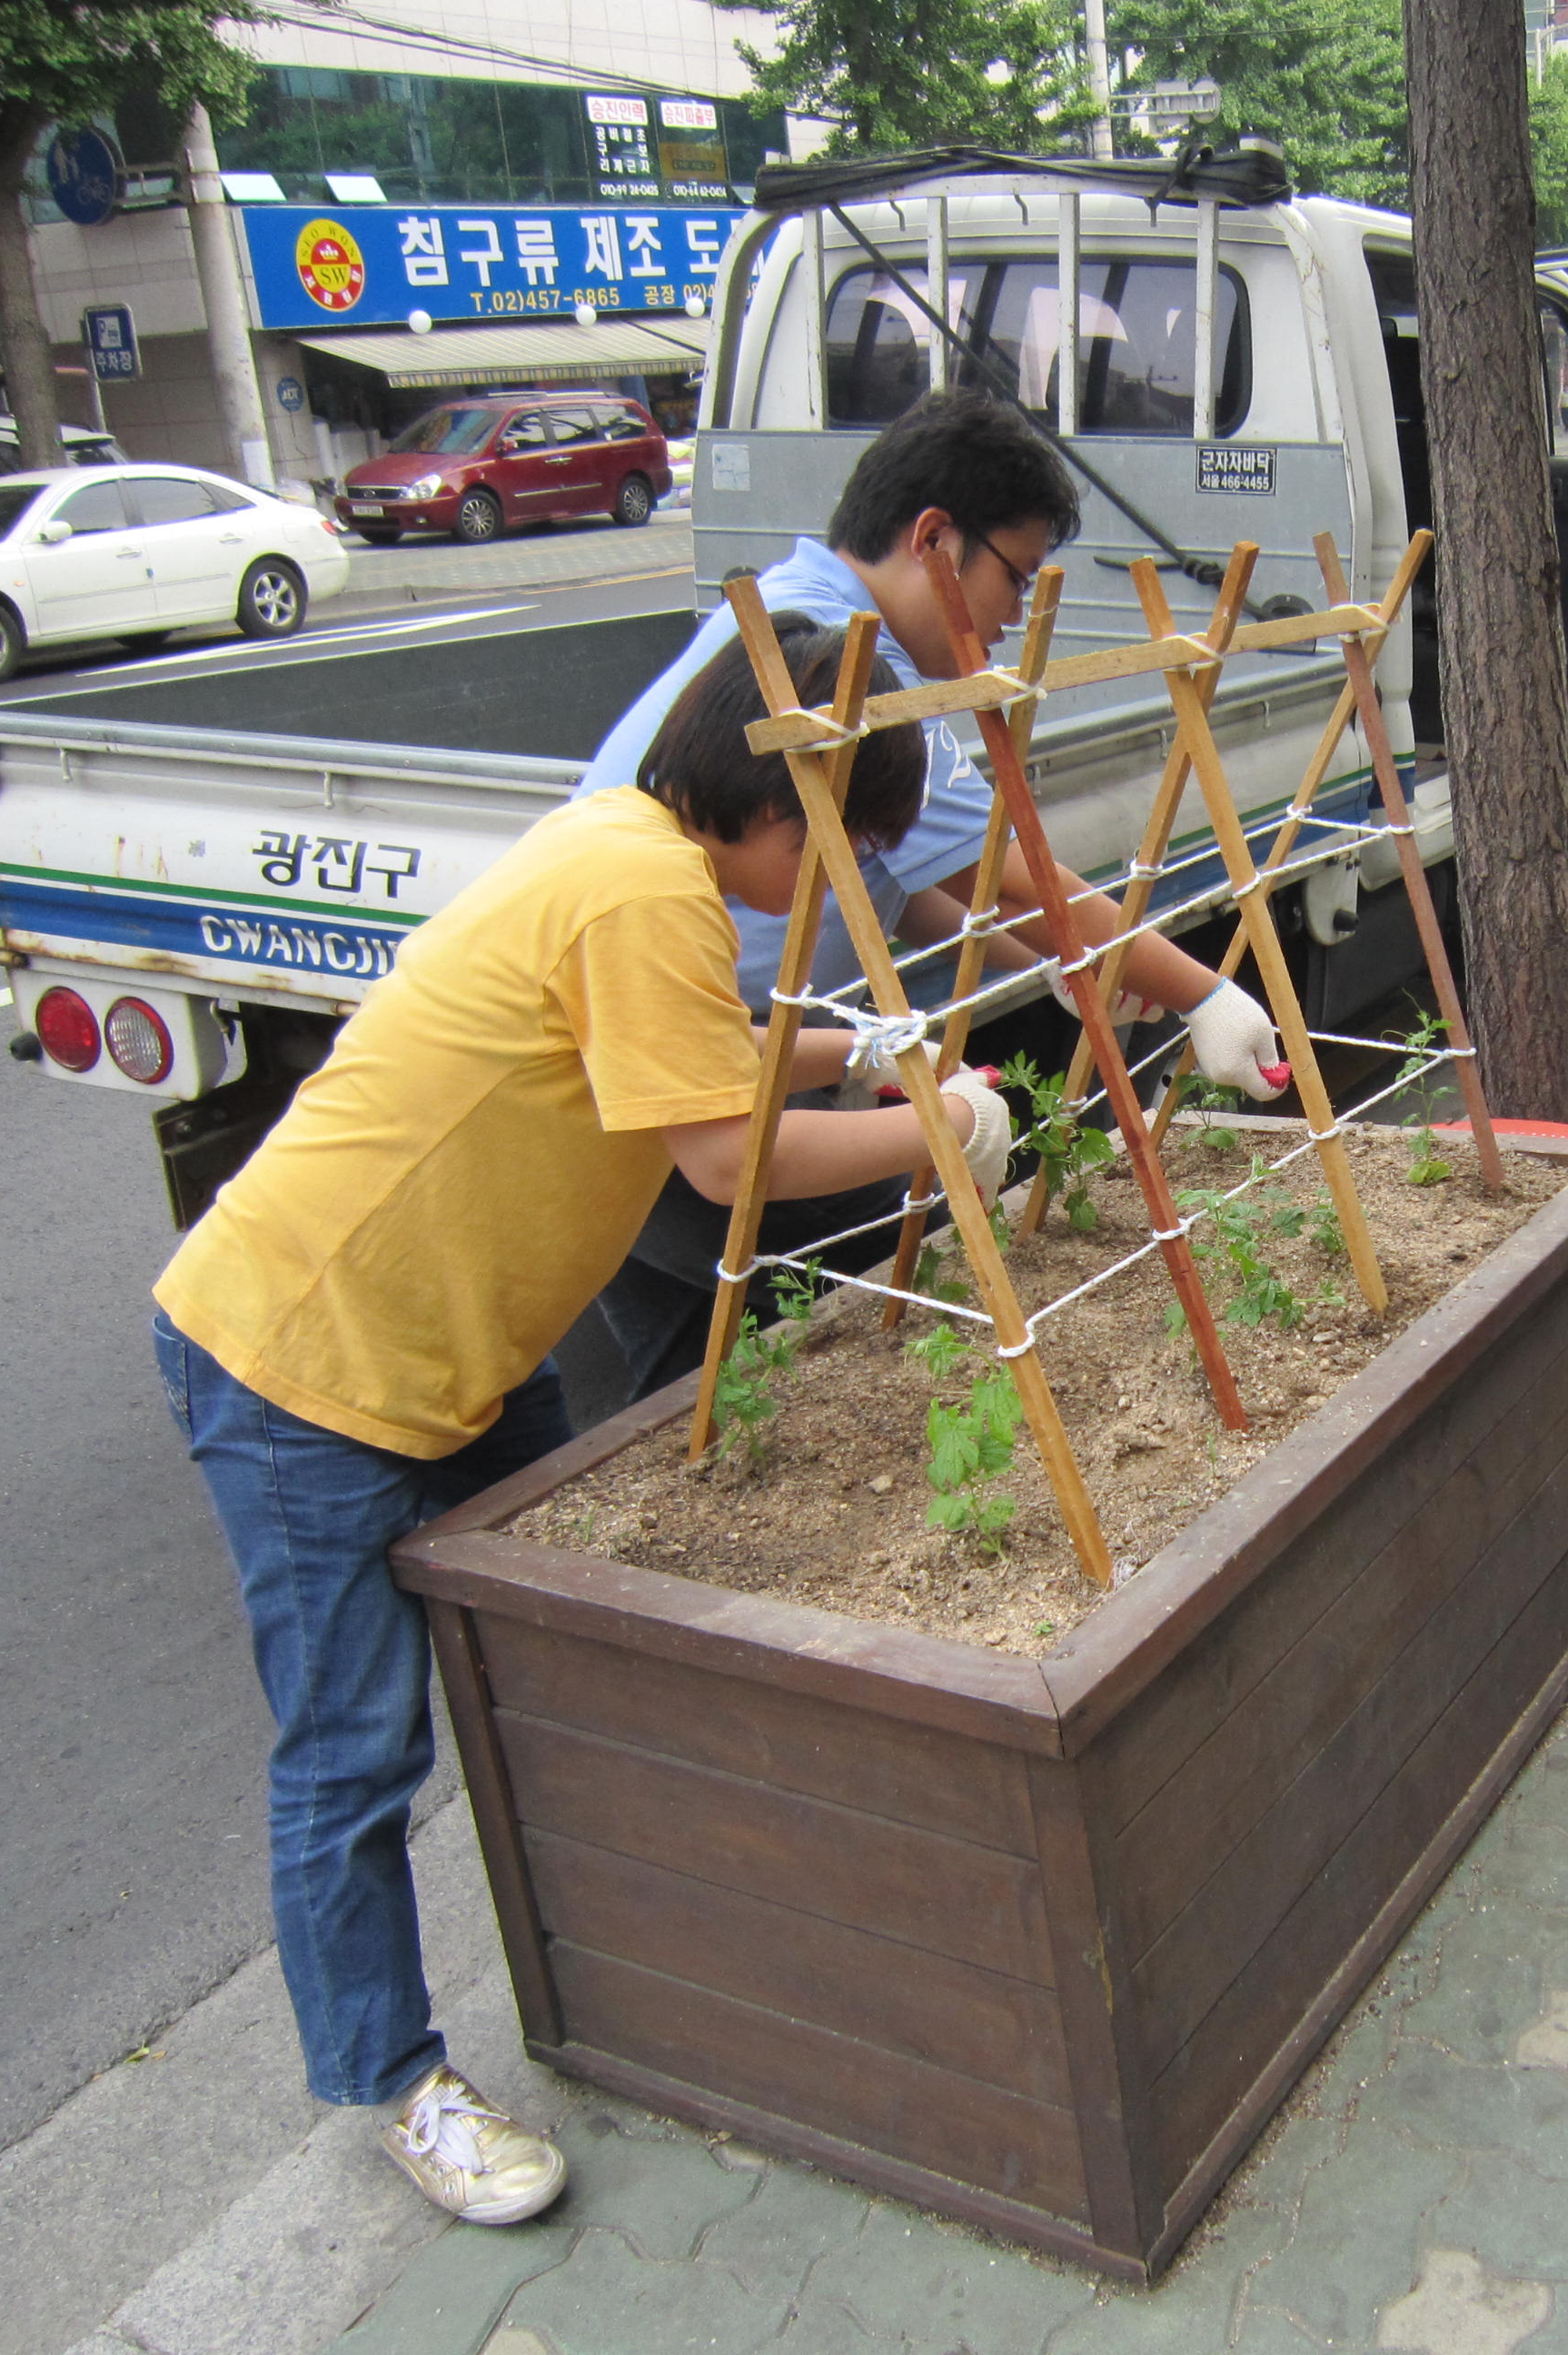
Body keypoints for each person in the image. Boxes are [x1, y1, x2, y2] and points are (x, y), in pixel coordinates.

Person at [151, 621, 1007, 2224]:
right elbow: (720, 1155)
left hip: (453, 1355)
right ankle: (393, 2079)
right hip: (303, 1361)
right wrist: (938, 1126)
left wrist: (858, 1051)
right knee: (354, 1748)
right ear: (777, 806)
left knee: (568, 1627)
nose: (837, 886)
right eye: (839, 845)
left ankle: (624, 1939)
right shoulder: (640, 888)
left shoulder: (634, 852)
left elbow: (696, 1054)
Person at [573, 389, 1288, 1403]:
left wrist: (1055, 962)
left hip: (656, 1075)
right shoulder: (849, 669)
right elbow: (1018, 876)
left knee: (685, 1399)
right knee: (903, 1281)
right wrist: (1202, 995)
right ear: (935, 539)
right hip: (694, 1083)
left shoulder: (800, 612)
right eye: (1016, 576)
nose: (1016, 613)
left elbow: (893, 885)